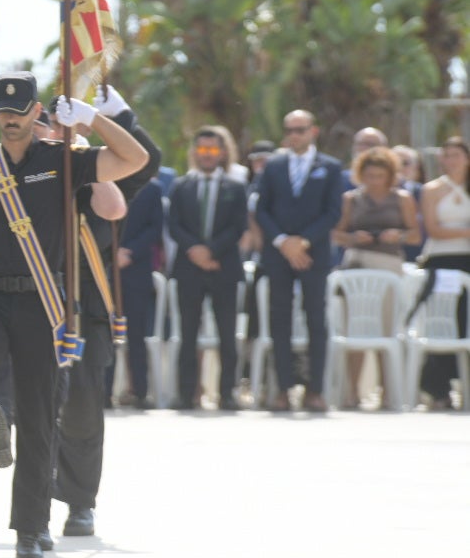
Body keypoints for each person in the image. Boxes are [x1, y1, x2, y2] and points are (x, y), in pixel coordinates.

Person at [0, 73, 148, 558]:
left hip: (44, 301)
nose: (12, 119)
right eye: (3, 111)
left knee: (41, 415)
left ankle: (30, 527)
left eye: (21, 111)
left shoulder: (63, 162)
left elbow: (135, 160)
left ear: (37, 112)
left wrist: (89, 119)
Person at [51, 86, 157, 541]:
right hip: (34, 297)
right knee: (25, 398)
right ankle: (35, 498)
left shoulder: (101, 168)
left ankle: (79, 502)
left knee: (83, 405)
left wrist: (110, 115)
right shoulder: (26, 168)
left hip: (88, 304)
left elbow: (144, 160)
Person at [253, 109, 344, 412]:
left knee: (316, 319)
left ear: (313, 131)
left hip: (313, 254)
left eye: (300, 129)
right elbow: (262, 209)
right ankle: (283, 389)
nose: (294, 135)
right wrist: (283, 242)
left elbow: (332, 212)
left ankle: (315, 391)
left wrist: (302, 242)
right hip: (278, 254)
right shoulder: (273, 166)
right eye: (289, 129)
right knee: (280, 321)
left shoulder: (330, 167)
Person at [167, 127, 249, 410]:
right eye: (202, 150)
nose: (207, 155)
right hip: (189, 269)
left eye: (212, 150)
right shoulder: (181, 186)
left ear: (222, 153)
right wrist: (196, 251)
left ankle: (227, 394)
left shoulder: (236, 187)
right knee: (188, 334)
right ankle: (187, 393)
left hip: (223, 268)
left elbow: (238, 227)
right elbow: (174, 224)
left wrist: (212, 251)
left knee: (227, 334)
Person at [330, 146, 418, 409]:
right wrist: (354, 238)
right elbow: (337, 234)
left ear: (390, 175)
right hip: (357, 267)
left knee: (387, 327)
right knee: (355, 327)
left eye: (380, 175)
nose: (374, 180)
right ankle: (352, 392)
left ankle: (388, 392)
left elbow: (415, 235)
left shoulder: (402, 198)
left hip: (389, 266)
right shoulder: (350, 199)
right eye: (369, 175)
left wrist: (397, 236)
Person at [418, 136, 470, 409]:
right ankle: (439, 389)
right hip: (442, 261)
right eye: (446, 154)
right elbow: (434, 229)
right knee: (443, 323)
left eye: (456, 154)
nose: (451, 160)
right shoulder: (432, 189)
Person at [116, 169, 166, 407]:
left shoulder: (152, 189)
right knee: (105, 334)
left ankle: (140, 391)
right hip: (107, 267)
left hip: (137, 268)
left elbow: (155, 229)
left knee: (137, 334)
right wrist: (111, 253)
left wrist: (130, 252)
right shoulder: (105, 181)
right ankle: (104, 392)